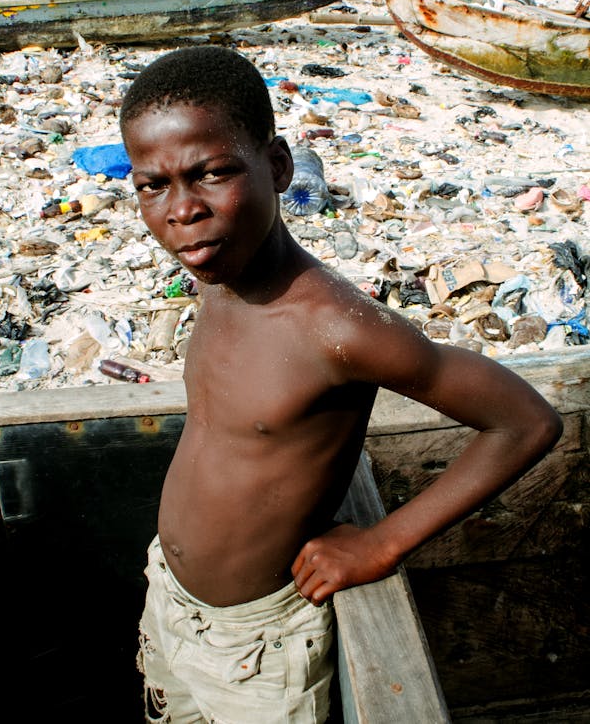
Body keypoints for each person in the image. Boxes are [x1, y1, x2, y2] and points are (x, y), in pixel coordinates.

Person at [119, 46, 562, 724]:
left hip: (258, 645)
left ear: (278, 166)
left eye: (212, 174)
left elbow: (526, 421)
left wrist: (383, 542)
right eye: (153, 185)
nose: (183, 210)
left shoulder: (336, 328)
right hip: (171, 596)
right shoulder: (219, 276)